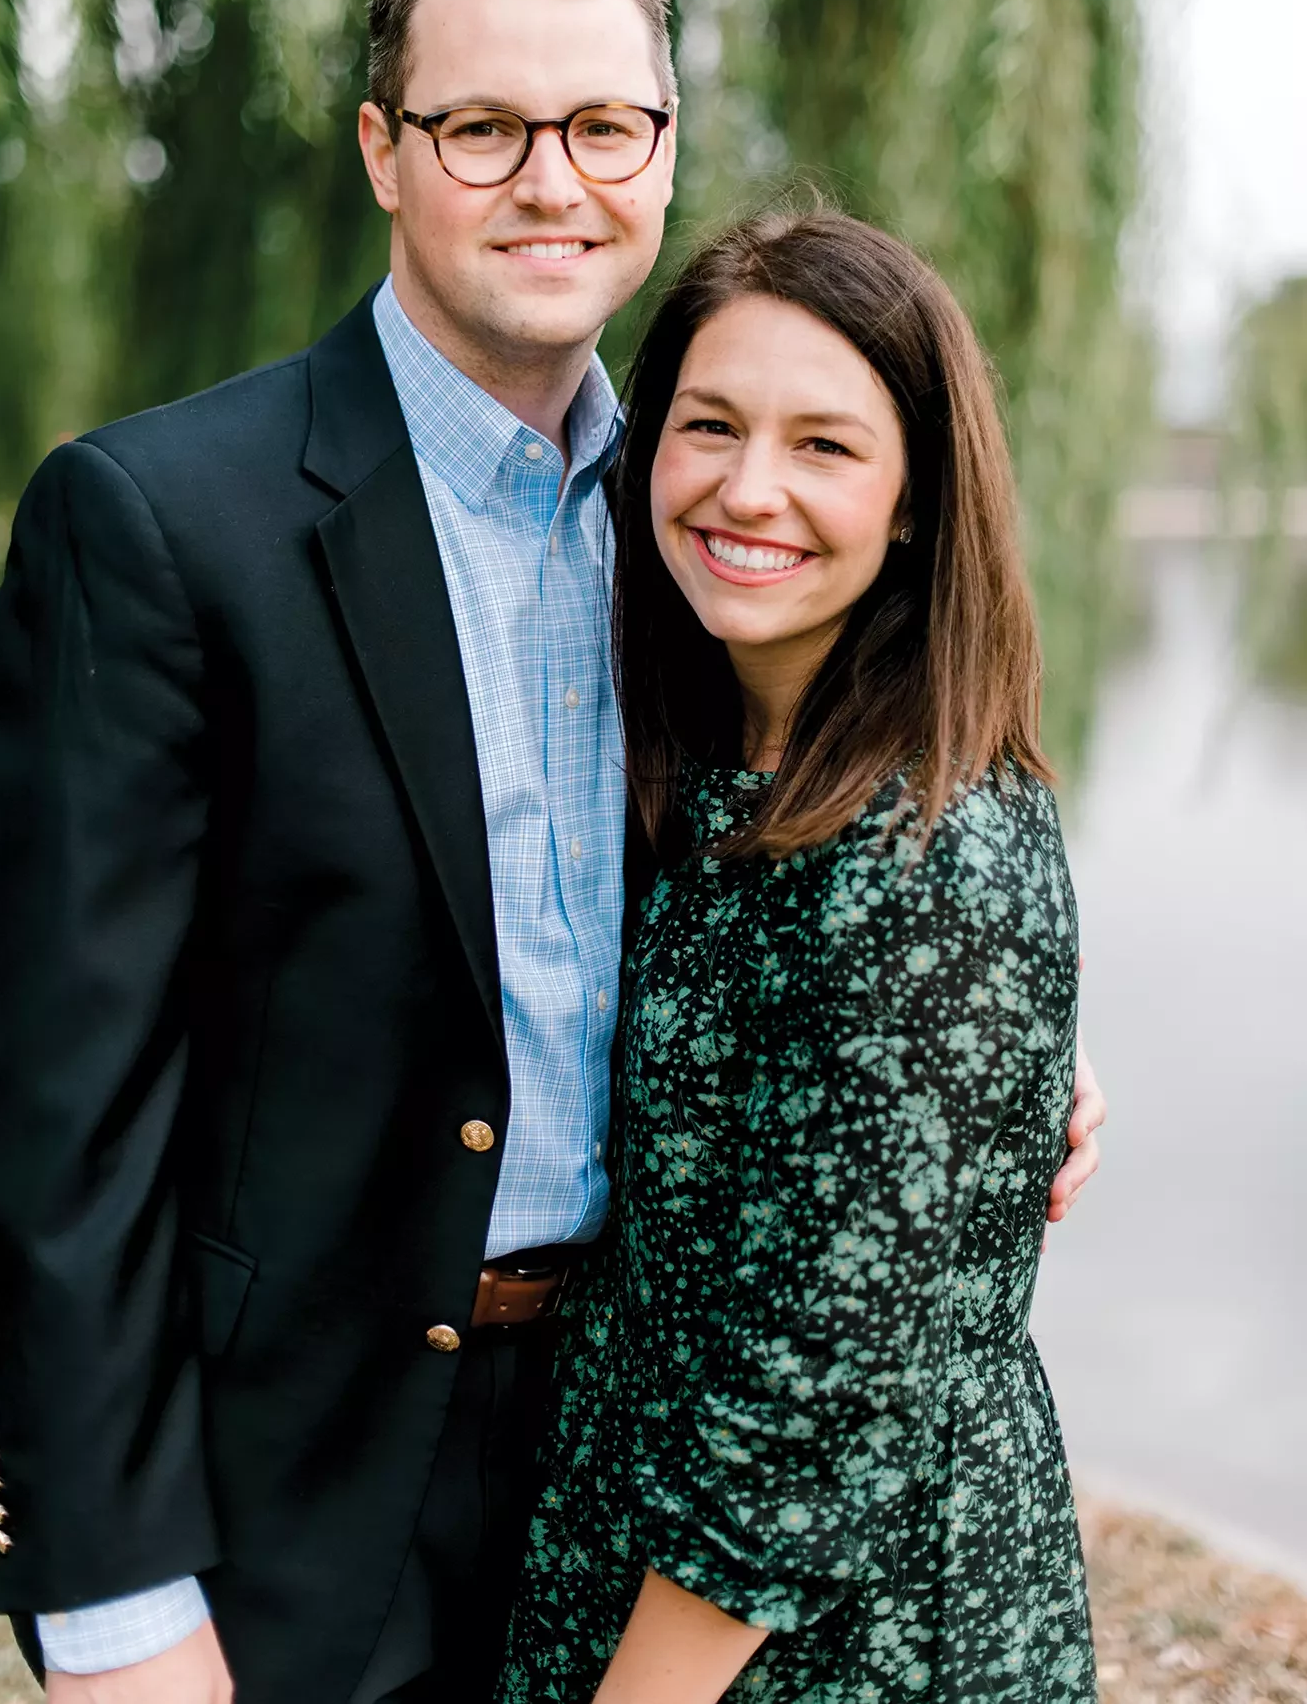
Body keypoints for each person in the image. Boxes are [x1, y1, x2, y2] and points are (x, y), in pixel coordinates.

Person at [0, 0, 1104, 1704]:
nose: (548, 181)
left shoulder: (709, 526)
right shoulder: (161, 524)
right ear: (383, 155)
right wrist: (110, 1593)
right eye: (481, 127)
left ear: (662, 148)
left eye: (604, 128)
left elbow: (827, 912)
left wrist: (978, 1075)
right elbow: (60, 1109)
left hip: (644, 1460)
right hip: (307, 1467)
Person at [497, 209, 1097, 1703]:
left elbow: (814, 1402)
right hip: (644, 1565)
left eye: (825, 444)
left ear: (914, 502)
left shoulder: (928, 852)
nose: (747, 488)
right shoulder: (700, 767)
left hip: (831, 1638)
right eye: (708, 424)